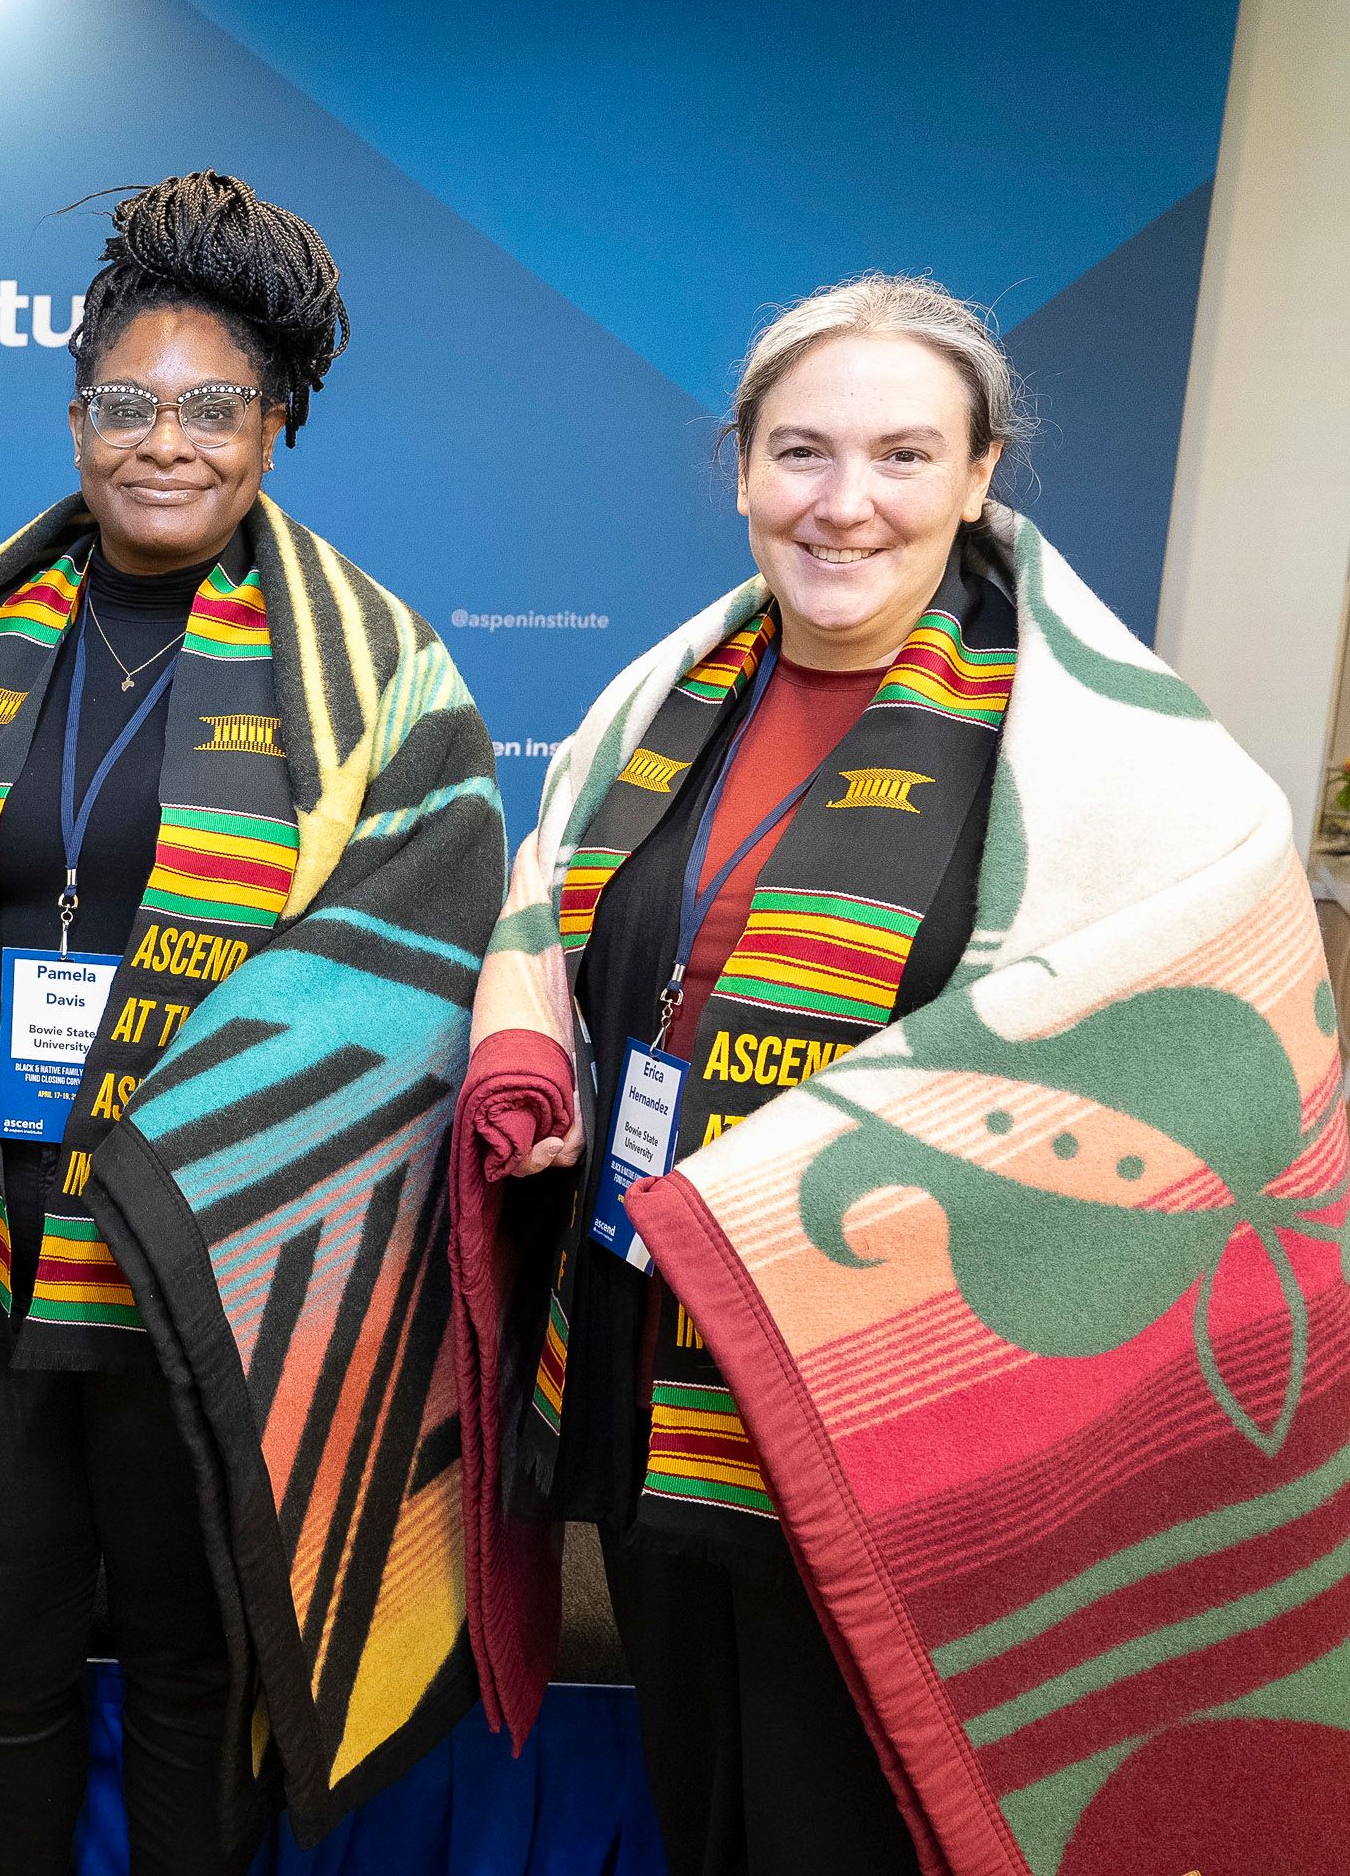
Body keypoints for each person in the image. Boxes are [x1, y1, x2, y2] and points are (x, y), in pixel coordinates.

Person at [450, 274, 1350, 1876]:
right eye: (800, 453)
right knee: (700, 1800)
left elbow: (1214, 1053)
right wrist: (531, 1052)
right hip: (650, 1354)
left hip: (898, 1409)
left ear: (981, 473)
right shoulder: (657, 705)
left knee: (843, 1829)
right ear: (741, 470)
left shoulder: (1117, 758)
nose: (844, 505)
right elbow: (552, 920)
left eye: (903, 456)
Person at [0, 172, 504, 1874]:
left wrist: (184, 1141)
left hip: (215, 1278)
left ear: (278, 427)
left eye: (212, 408)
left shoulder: (382, 670)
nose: (163, 443)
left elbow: (409, 937)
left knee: (198, 1668)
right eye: (127, 405)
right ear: (74, 416)